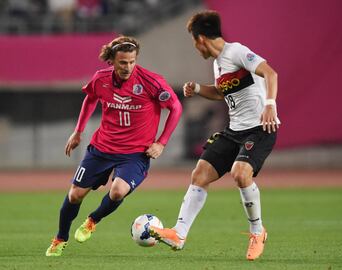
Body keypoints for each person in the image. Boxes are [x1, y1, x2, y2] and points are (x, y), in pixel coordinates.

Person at [149, 10, 279, 261]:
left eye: (193, 42)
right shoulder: (218, 63)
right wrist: (198, 89)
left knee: (240, 173)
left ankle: (257, 231)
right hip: (234, 130)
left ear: (200, 39)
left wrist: (270, 103)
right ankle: (179, 234)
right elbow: (222, 93)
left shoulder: (238, 51)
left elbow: (271, 73)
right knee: (199, 174)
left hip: (261, 128)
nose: (195, 48)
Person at [45, 35, 182, 256]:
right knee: (74, 196)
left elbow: (175, 107)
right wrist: (78, 131)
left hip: (135, 154)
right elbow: (90, 98)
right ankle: (60, 238)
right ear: (112, 60)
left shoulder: (151, 82)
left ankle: (92, 220)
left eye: (132, 61)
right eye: (123, 62)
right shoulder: (101, 79)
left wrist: (161, 143)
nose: (128, 67)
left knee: (118, 192)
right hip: (102, 148)